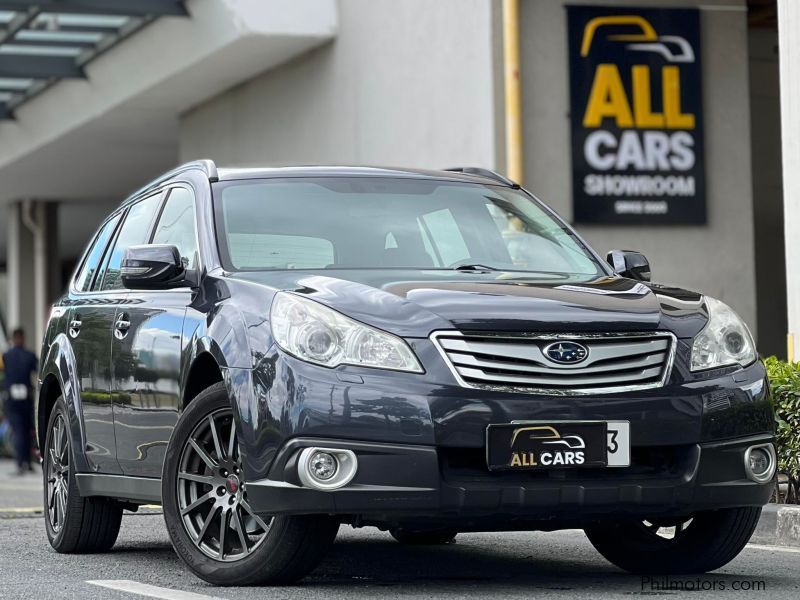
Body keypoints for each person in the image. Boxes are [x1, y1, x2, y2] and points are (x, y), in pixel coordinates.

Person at [2, 328, 38, 475]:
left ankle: (20, 463)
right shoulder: (30, 356)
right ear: (22, 338)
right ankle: (27, 462)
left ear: (13, 339)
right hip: (26, 398)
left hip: (11, 398)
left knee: (17, 431)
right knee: (27, 430)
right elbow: (38, 371)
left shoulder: (6, 356)